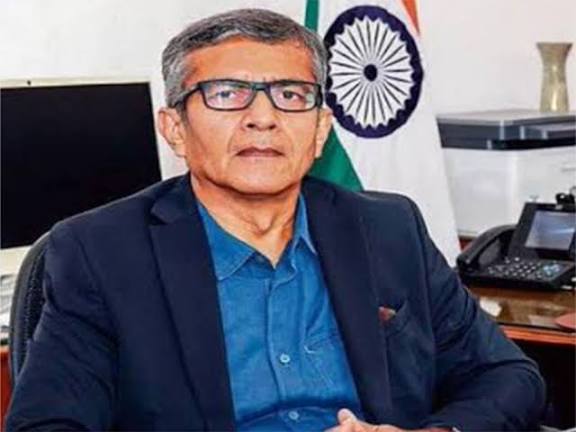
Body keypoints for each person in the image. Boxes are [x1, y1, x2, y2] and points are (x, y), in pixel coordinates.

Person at [6, 8, 545, 432]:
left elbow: (508, 376)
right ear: (175, 129)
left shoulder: (388, 228)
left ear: (321, 129)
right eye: (226, 95)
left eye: (291, 95)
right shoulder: (101, 251)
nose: (262, 118)